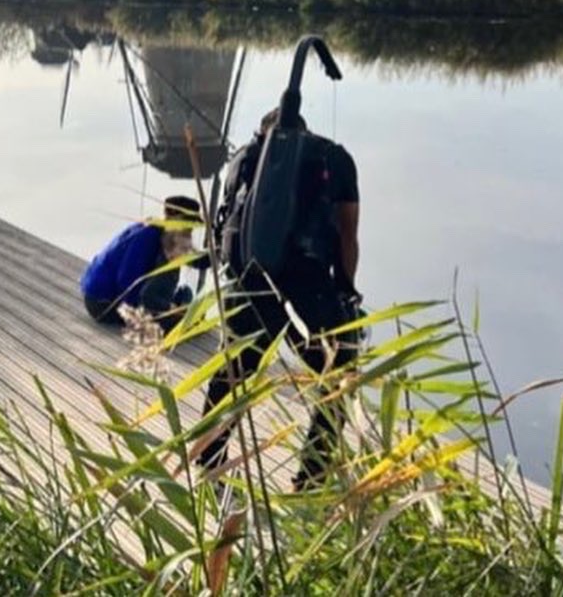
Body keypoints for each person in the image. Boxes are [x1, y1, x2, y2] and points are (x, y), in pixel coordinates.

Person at [198, 107, 362, 491]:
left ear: (263, 134)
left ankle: (208, 462)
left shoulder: (242, 159)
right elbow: (348, 233)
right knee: (338, 375)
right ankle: (312, 478)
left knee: (233, 374)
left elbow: (226, 225)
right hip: (308, 287)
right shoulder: (334, 158)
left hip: (250, 283)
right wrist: (346, 291)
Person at [80, 195, 202, 332]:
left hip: (104, 296)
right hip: (103, 304)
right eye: (189, 224)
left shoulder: (159, 230)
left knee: (184, 293)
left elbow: (191, 257)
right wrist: (145, 313)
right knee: (179, 321)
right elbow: (126, 280)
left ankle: (180, 311)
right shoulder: (148, 237)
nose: (190, 230)